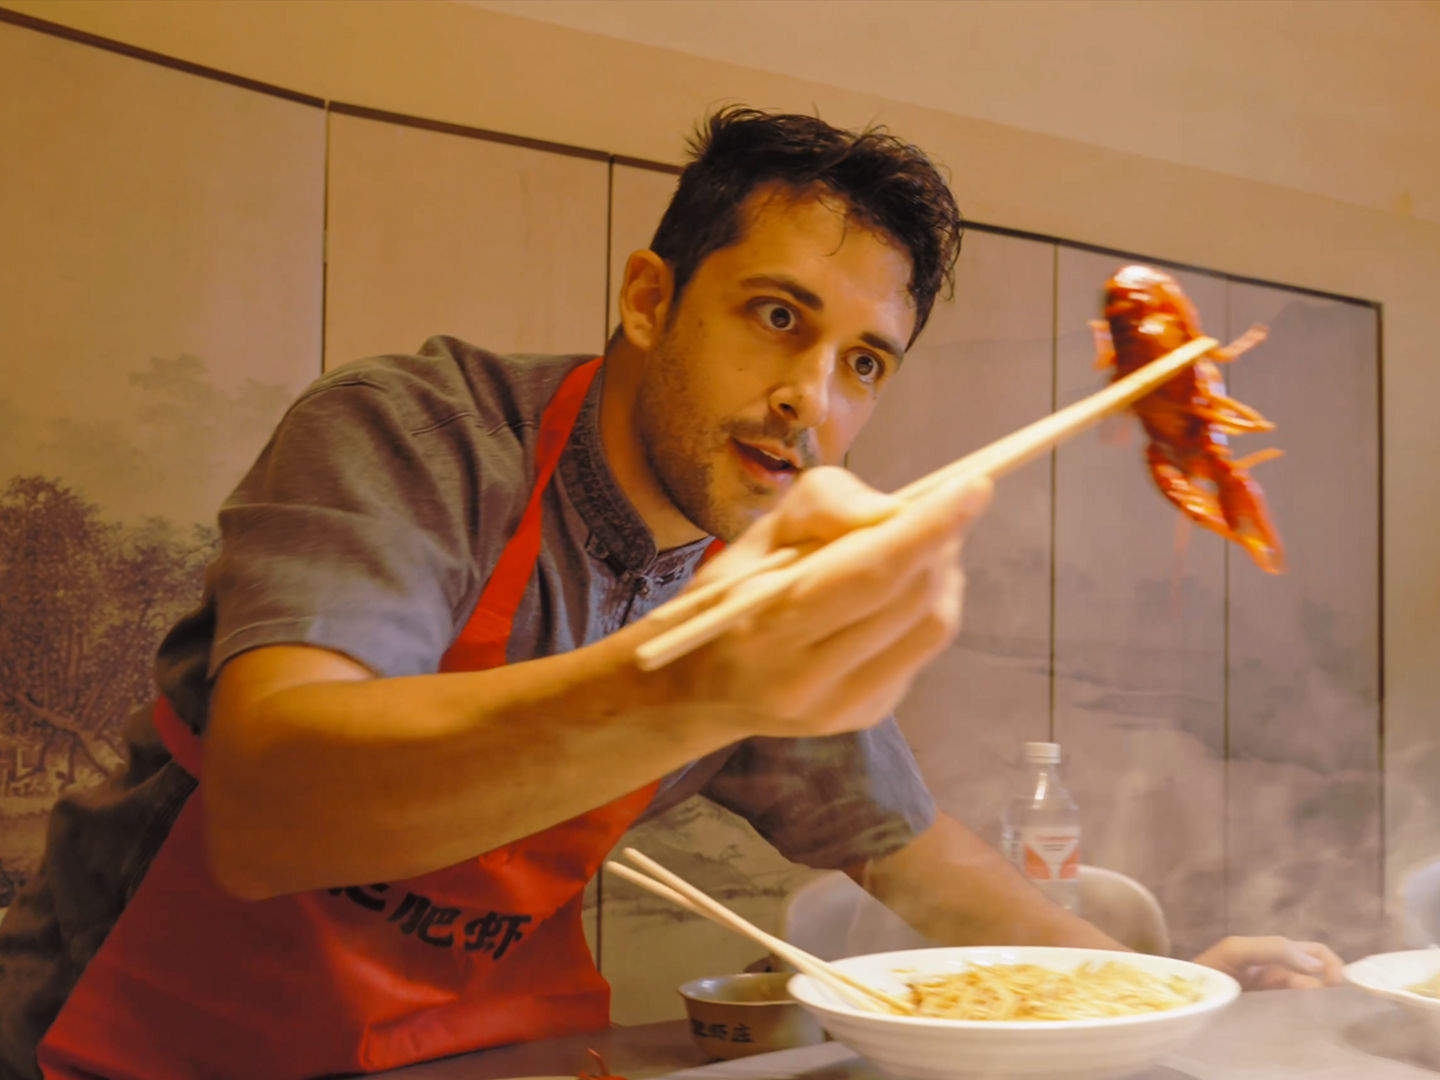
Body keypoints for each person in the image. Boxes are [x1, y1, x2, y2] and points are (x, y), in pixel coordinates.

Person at [0, 108, 1340, 1080]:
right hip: (147, 1044)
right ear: (650, 298)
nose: (812, 400)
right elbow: (277, 809)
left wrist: (1153, 991)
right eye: (778, 316)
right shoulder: (420, 437)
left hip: (483, 1051)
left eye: (865, 362)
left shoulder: (763, 573)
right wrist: (691, 684)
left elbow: (923, 861)